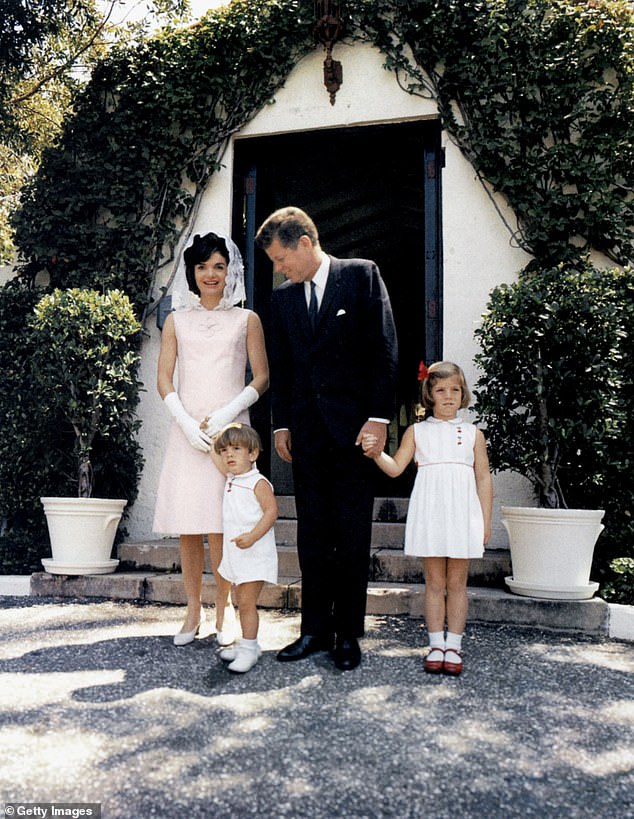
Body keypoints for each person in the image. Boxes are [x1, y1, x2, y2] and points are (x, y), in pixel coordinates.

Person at [255, 206, 398, 671]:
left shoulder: (360, 276)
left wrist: (379, 418)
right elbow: (284, 364)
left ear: (304, 243)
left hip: (356, 432)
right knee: (312, 533)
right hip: (307, 433)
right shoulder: (282, 299)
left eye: (279, 259)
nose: (278, 269)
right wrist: (280, 424)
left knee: (351, 534)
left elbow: (384, 350)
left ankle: (347, 635)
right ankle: (314, 630)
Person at [153, 232, 269, 647]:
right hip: (189, 432)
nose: (211, 274)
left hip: (230, 433)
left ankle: (225, 612)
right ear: (193, 272)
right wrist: (185, 422)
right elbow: (164, 379)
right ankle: (192, 610)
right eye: (203, 267)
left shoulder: (246, 320)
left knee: (223, 522)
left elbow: (261, 376)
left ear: (230, 271)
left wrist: (226, 414)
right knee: (190, 524)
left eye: (218, 266)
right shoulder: (177, 321)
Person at [362, 361, 493, 676]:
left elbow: (484, 479)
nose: (448, 396)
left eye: (455, 390)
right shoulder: (417, 431)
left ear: (463, 394)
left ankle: (455, 646)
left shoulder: (474, 434)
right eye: (441, 390)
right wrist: (376, 452)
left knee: (457, 582)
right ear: (430, 394)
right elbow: (395, 468)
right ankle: (436, 644)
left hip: (463, 512)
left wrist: (485, 521)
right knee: (434, 582)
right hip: (432, 510)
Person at [210, 423, 278, 673]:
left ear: (253, 454)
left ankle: (250, 649)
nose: (229, 454)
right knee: (240, 600)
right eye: (225, 450)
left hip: (255, 552)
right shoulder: (233, 478)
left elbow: (271, 513)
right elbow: (213, 452)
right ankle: (246, 643)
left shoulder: (257, 482)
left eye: (236, 449)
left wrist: (252, 536)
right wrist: (216, 431)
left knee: (247, 603)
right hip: (238, 554)